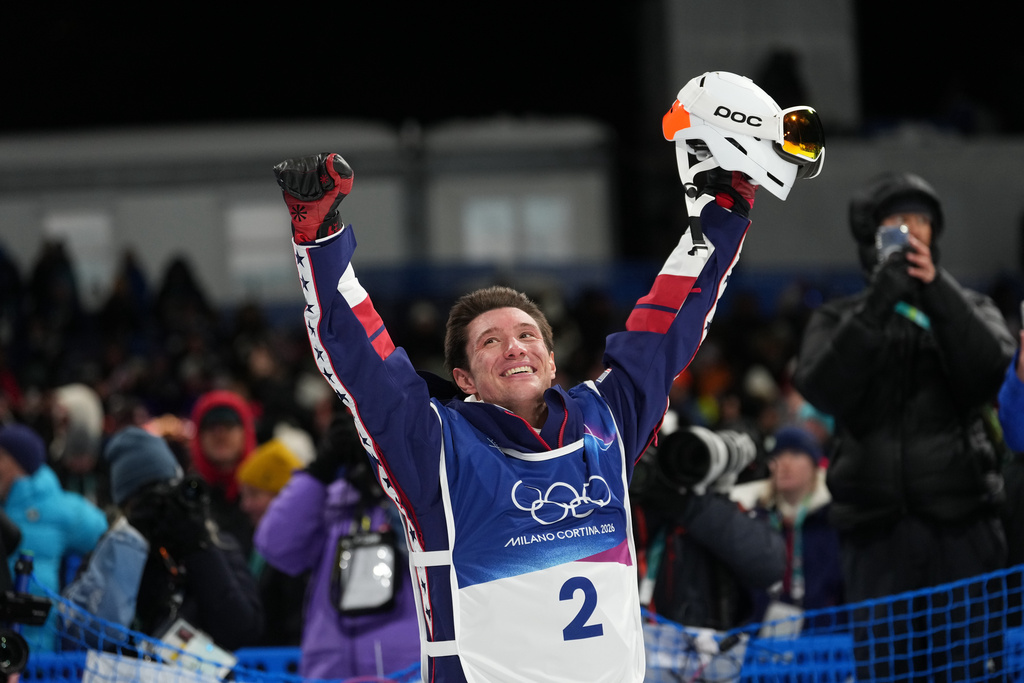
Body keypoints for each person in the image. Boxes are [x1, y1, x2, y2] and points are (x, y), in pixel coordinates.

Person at [272, 70, 824, 682]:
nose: (515, 347)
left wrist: (727, 211)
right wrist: (319, 243)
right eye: (491, 342)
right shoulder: (433, 449)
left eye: (527, 335)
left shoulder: (606, 421)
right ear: (463, 378)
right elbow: (362, 360)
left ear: (553, 359)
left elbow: (668, 324)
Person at [792, 172, 1015, 681]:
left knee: (972, 672)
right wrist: (877, 307)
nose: (911, 231)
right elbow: (821, 387)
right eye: (896, 222)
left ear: (935, 234)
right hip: (876, 539)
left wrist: (937, 293)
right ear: (870, 238)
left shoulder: (969, 307)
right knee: (889, 673)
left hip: (963, 529)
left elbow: (992, 375)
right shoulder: (838, 317)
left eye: (921, 222)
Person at [62, 426, 263, 650]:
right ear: (125, 507)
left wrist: (199, 547)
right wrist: (131, 542)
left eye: (169, 493)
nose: (161, 508)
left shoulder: (217, 544)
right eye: (147, 500)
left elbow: (242, 629)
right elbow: (86, 636)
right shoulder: (108, 553)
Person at [255, 411, 420, 679]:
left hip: (406, 670)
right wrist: (320, 469)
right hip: (331, 669)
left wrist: (396, 475)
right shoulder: (336, 499)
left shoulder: (426, 495)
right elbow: (276, 547)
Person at [630, 425, 786, 631]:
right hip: (636, 638)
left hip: (704, 648)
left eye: (694, 458)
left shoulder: (725, 507)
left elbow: (769, 564)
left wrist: (691, 507)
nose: (680, 464)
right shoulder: (646, 506)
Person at [0, 422, 107, 652]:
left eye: (1, 458)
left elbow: (107, 537)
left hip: (38, 651)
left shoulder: (59, 508)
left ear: (20, 464)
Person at [731, 425, 843, 632]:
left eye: (796, 454)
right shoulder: (756, 518)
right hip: (763, 644)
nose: (785, 463)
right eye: (778, 455)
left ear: (815, 463)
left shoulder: (833, 520)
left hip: (825, 644)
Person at [235, 438, 307, 646]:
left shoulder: (297, 553)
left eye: (254, 494)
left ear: (282, 496)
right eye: (243, 495)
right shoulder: (256, 543)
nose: (245, 506)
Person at [188, 389, 257, 556]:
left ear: (245, 432)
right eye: (210, 426)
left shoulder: (266, 493)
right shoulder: (188, 497)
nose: (220, 435)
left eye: (229, 425)